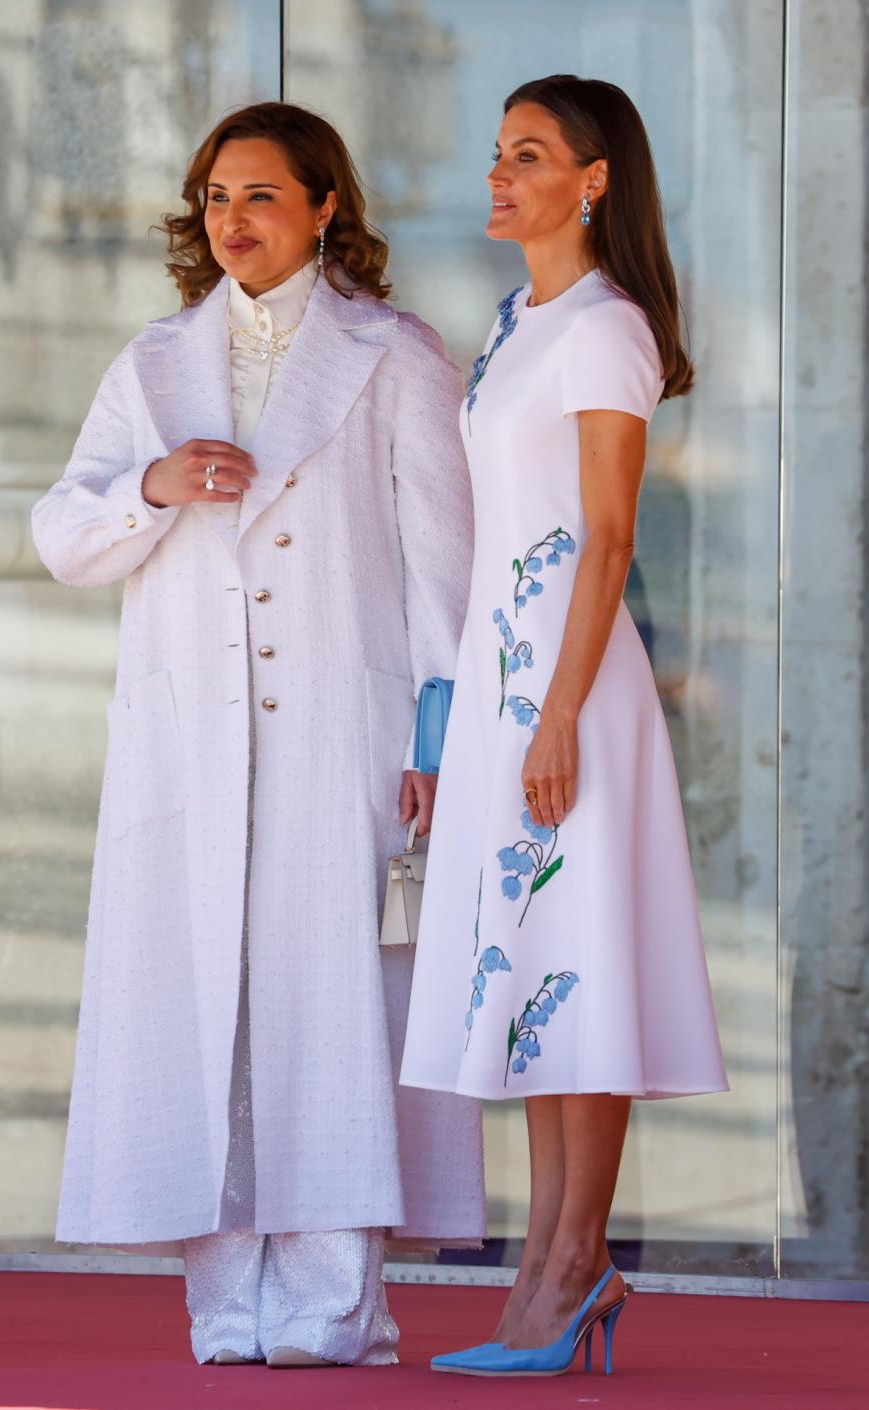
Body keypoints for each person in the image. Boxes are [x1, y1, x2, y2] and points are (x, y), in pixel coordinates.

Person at [32, 100, 484, 1370]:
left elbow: (444, 569)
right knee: (201, 1007)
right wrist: (150, 486)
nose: (235, 220)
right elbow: (62, 535)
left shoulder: (396, 354)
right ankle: (226, 1305)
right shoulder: (154, 366)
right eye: (218, 198)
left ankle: (336, 1304)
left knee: (335, 1006)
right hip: (189, 748)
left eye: (263, 196)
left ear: (325, 205)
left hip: (345, 734)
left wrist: (439, 738)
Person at [400, 74, 728, 1378]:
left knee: (578, 963)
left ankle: (574, 1260)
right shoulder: (519, 321)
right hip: (504, 685)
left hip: (566, 691)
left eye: (527, 155)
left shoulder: (604, 328)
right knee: (537, 970)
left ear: (593, 179)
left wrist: (556, 715)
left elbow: (606, 538)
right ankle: (547, 1262)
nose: (498, 173)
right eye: (497, 152)